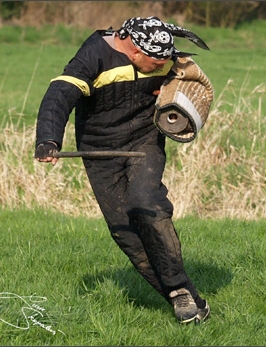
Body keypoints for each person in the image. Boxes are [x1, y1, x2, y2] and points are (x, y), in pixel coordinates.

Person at [34, 16, 211, 324]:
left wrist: (173, 89)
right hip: (99, 149)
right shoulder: (94, 57)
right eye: (155, 62)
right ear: (133, 50)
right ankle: (184, 298)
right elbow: (59, 95)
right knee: (125, 231)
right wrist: (48, 138)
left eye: (164, 61)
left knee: (147, 204)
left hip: (143, 141)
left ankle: (178, 288)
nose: (161, 66)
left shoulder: (160, 50)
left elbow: (193, 78)